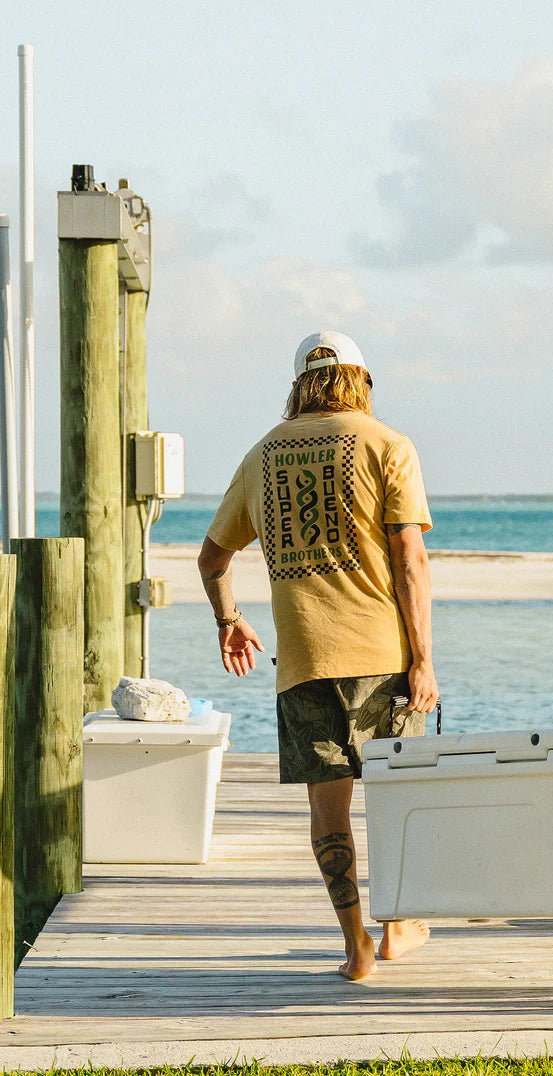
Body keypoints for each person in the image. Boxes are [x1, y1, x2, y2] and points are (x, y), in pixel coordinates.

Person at [197, 330, 438, 981]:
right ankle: (396, 928)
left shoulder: (262, 454)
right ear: (362, 380)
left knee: (327, 814)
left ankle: (356, 945)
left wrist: (232, 620)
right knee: (396, 801)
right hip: (383, 657)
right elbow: (409, 560)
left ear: (300, 383)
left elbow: (213, 557)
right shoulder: (388, 445)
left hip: (303, 659)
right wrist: (423, 660)